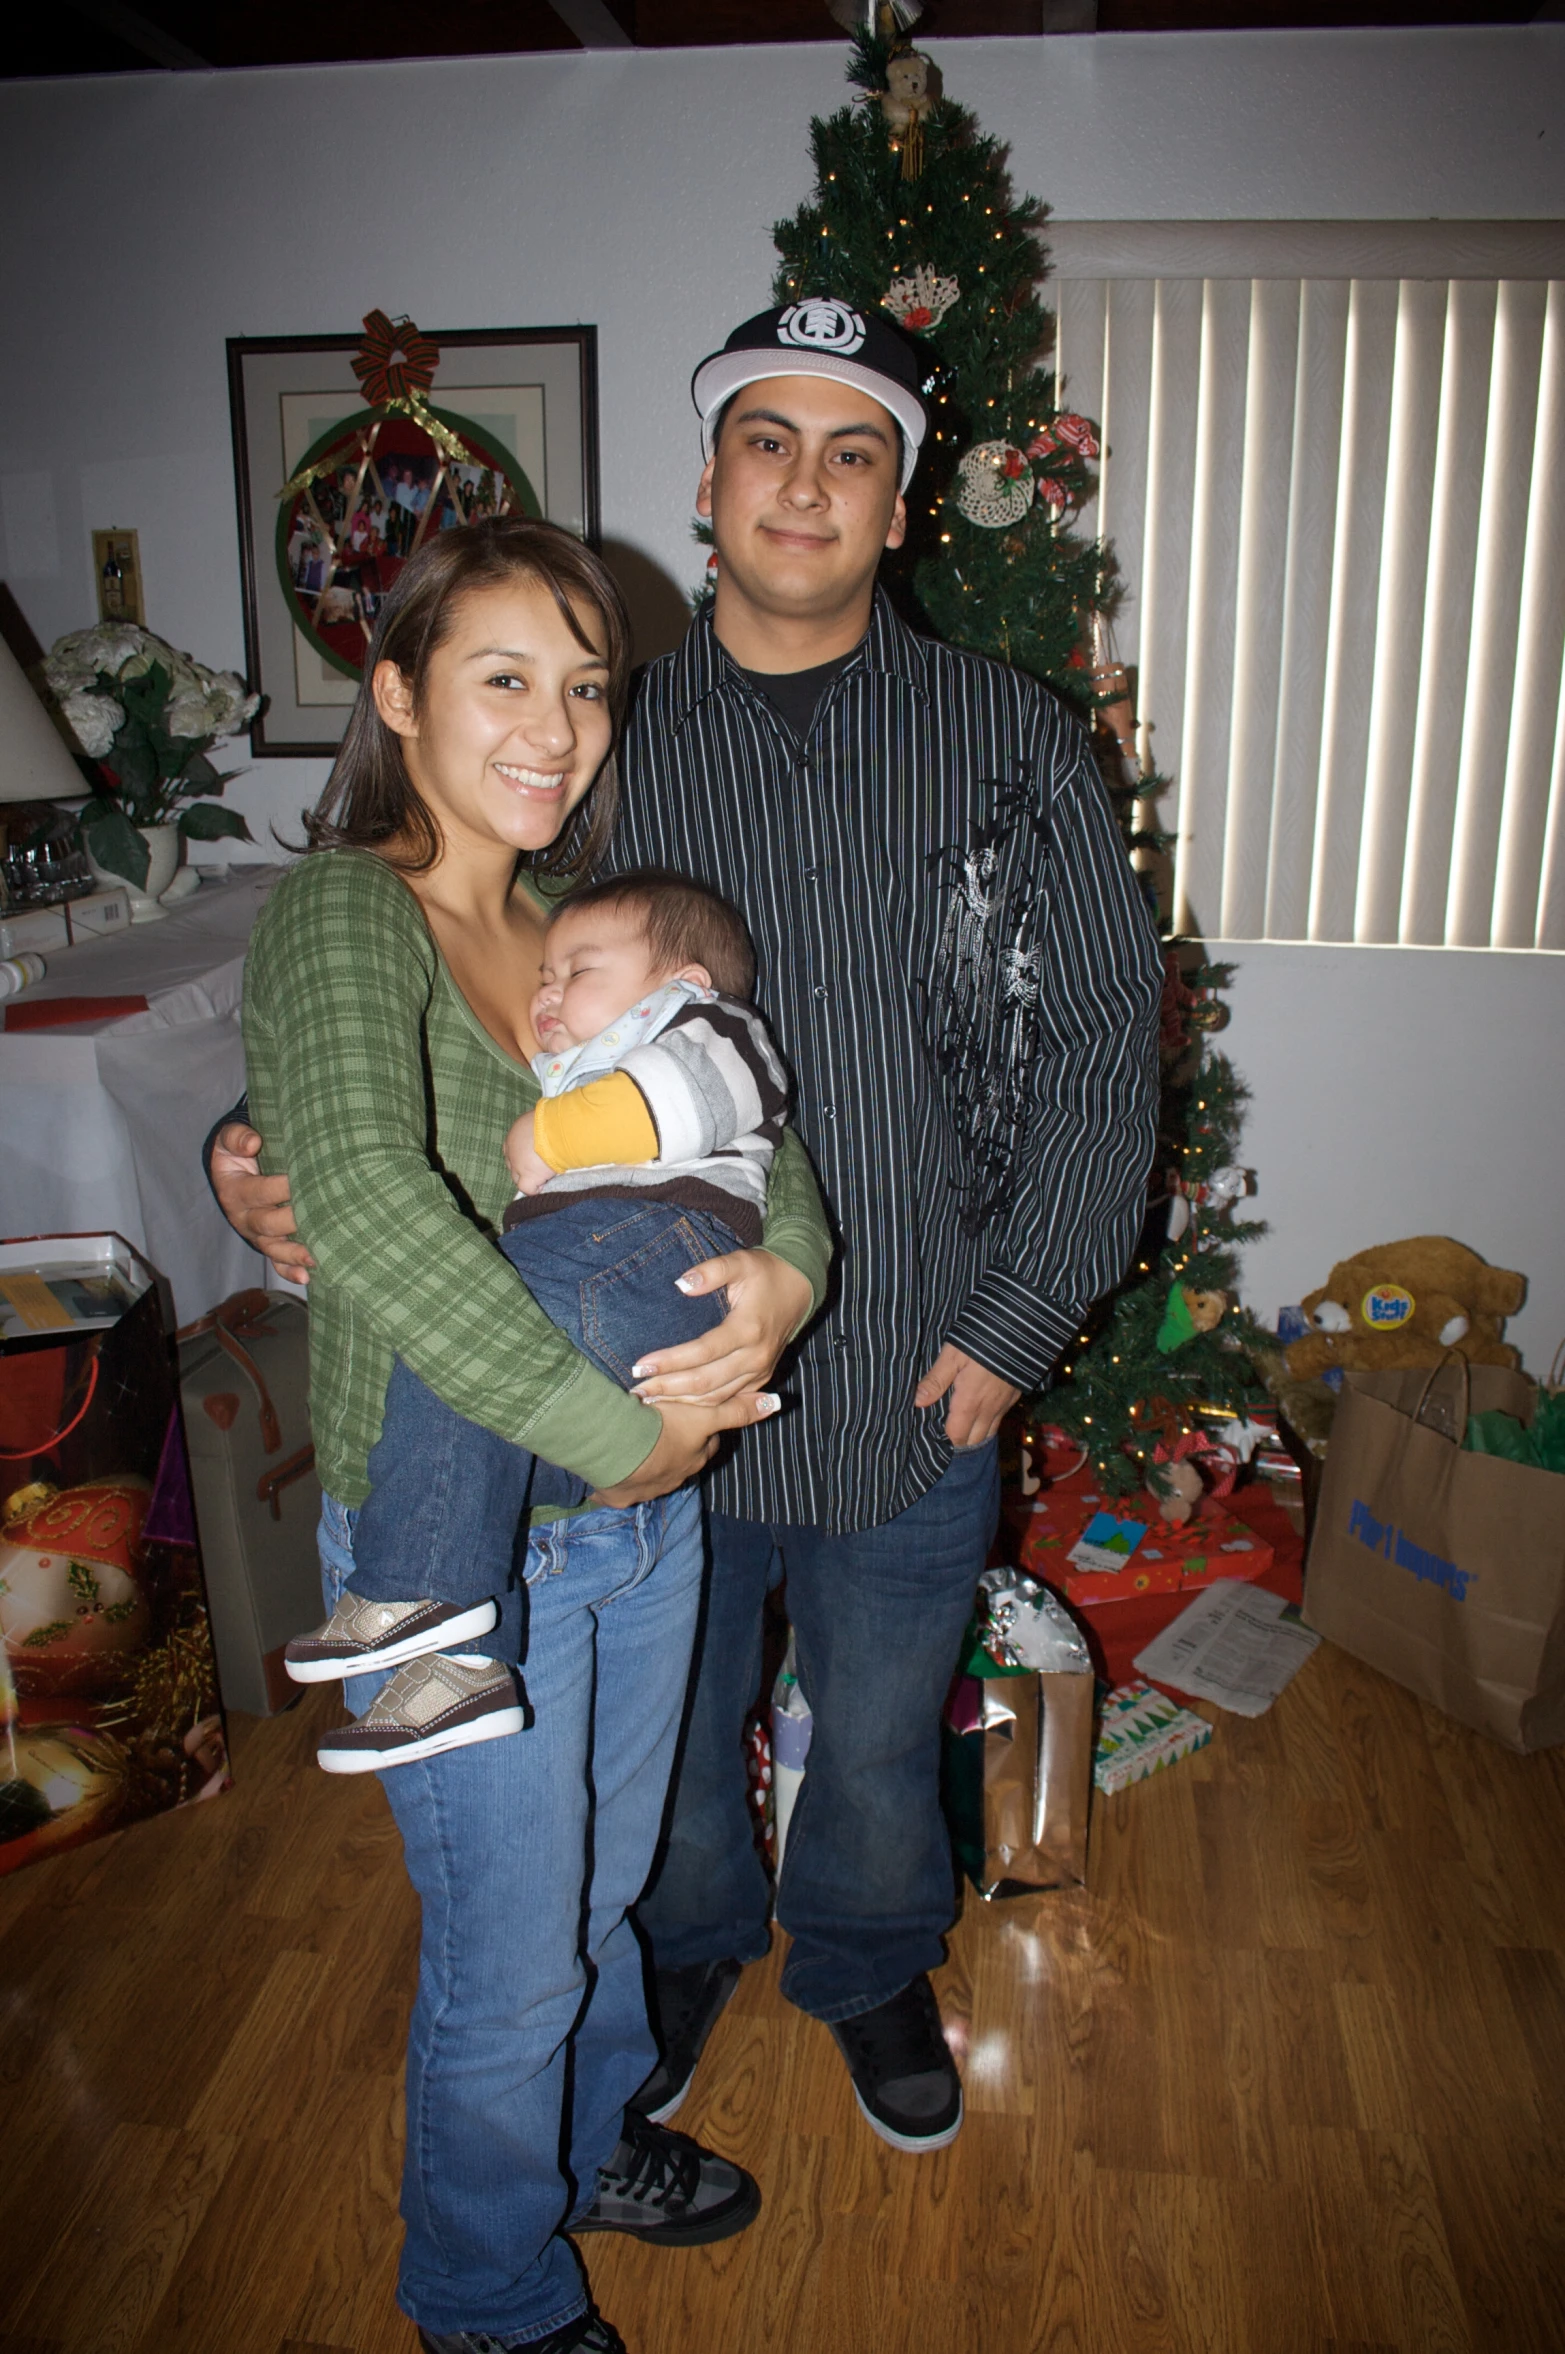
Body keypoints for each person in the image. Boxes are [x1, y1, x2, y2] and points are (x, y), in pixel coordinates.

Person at [211, 299, 1162, 2165]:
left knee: (886, 1726)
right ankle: (691, 1946)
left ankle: (872, 1960)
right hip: (630, 1386)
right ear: (708, 484)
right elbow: (438, 975)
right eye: (768, 443)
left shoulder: (1008, 738)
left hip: (916, 1358)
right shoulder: (594, 735)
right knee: (662, 1743)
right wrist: (254, 1138)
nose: (805, 482)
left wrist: (1020, 1313)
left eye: (855, 451)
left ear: (899, 509)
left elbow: (1109, 1037)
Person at [238, 514, 830, 2354]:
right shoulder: (348, 909)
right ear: (397, 691)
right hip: (465, 1554)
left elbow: (757, 1129)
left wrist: (790, 1281)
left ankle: (580, 2153)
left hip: (635, 1529)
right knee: (506, 1959)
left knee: (608, 1889)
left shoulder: (586, 919)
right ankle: (485, 2296)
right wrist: (613, 1424)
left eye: (585, 686)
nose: (555, 725)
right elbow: (360, 1190)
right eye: (505, 677)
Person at [283, 867, 790, 1779]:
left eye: (577, 972)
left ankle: (411, 1588)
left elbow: (671, 1106)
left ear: (681, 982)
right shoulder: (598, 1038)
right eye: (544, 975)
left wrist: (549, 1138)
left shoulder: (716, 1032)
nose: (547, 993)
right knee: (477, 1417)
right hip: (613, 1277)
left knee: (475, 1324)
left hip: (661, 1244)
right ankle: (460, 1666)